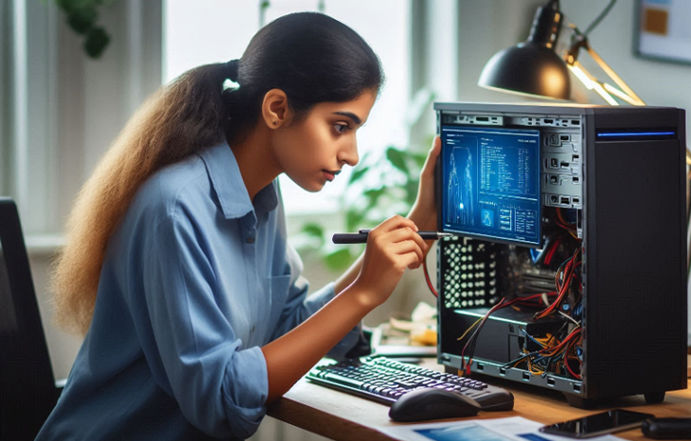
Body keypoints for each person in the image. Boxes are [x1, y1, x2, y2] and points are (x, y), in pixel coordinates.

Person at [37, 12, 440, 440]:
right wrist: (362, 293)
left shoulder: (262, 194)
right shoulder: (175, 208)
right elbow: (220, 401)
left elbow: (289, 327)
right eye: (340, 127)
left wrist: (418, 222)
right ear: (277, 108)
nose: (352, 154)